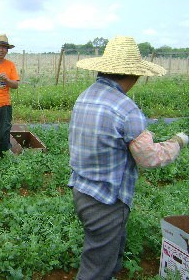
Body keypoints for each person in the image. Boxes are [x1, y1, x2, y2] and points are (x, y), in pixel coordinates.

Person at [68, 36, 188, 280]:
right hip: (107, 202)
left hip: (82, 191)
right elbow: (149, 158)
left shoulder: (86, 96)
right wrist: (177, 142)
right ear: (133, 75)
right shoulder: (125, 108)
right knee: (96, 268)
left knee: (108, 252)